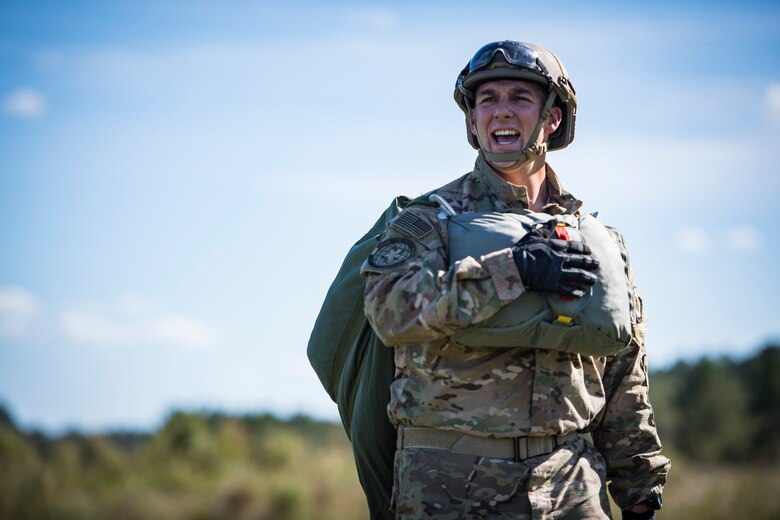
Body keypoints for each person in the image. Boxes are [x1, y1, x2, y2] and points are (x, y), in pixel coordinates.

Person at [360, 41, 670, 519]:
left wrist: (641, 488)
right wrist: (512, 271)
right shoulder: (429, 220)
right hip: (449, 484)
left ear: (553, 119)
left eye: (520, 98)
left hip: (571, 485)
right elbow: (390, 312)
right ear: (472, 119)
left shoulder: (596, 238)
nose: (500, 111)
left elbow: (623, 374)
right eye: (487, 99)